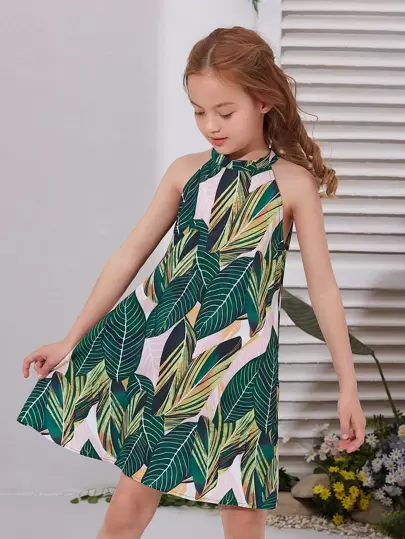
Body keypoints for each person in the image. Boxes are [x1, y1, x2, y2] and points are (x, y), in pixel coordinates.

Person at [17, 26, 366, 539]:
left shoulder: (292, 184)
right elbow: (128, 257)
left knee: (242, 511)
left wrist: (348, 385)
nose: (211, 126)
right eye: (199, 112)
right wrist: (71, 338)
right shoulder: (187, 173)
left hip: (240, 364)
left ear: (264, 100)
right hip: (166, 354)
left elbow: (324, 290)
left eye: (224, 112)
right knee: (131, 500)